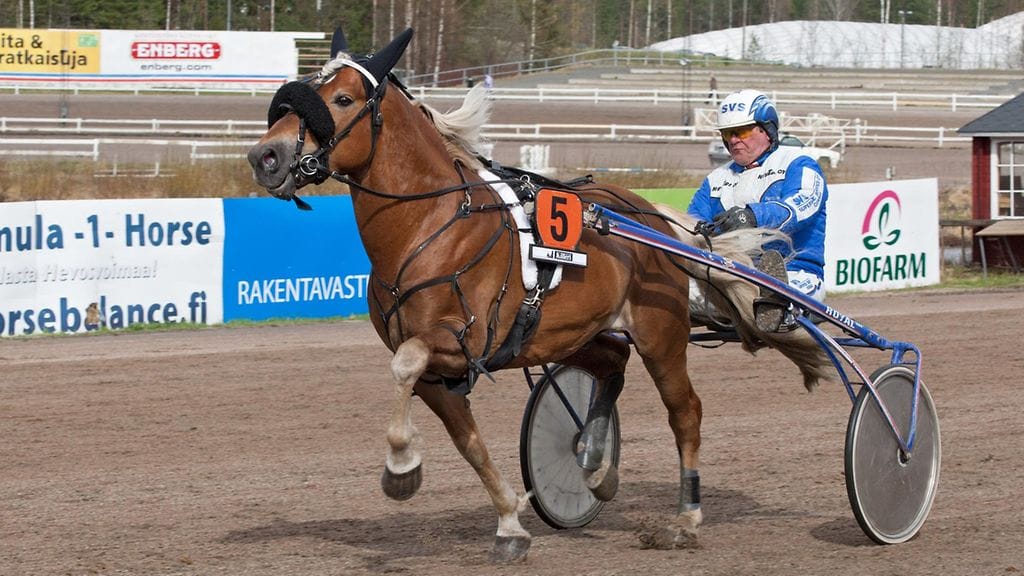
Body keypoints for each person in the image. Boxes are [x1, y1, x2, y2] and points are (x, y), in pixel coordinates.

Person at [687, 89, 828, 332]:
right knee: (665, 293)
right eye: (727, 133)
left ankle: (772, 306)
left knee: (773, 294)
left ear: (767, 130)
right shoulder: (716, 179)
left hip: (795, 272)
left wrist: (752, 216)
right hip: (731, 279)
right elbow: (691, 225)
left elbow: (803, 206)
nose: (733, 140)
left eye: (741, 131)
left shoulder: (798, 162)